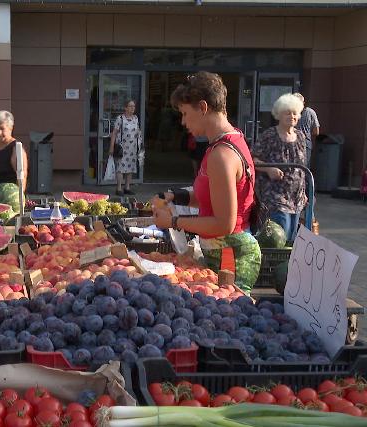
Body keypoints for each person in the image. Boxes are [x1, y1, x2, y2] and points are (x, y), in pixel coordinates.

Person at [151, 72, 261, 293]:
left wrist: (173, 221)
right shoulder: (224, 143)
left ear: (203, 107)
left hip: (230, 257)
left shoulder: (221, 155)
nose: (182, 122)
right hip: (221, 252)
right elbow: (211, 197)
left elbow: (223, 223)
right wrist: (176, 195)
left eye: (184, 113)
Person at [252, 93, 307, 242]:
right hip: (275, 195)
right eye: (287, 113)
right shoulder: (269, 135)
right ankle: (277, 265)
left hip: (296, 197)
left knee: (291, 238)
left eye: (295, 113)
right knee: (280, 233)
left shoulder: (301, 137)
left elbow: (302, 167)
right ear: (279, 115)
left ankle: (286, 265)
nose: (292, 116)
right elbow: (252, 159)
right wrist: (269, 169)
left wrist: (304, 192)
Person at [0, 111, 28, 201]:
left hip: (8, 201)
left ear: (10, 128)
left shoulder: (16, 148)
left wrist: (18, 200)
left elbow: (22, 177)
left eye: (2, 128)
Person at [109, 99, 142, 195]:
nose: (132, 108)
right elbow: (114, 133)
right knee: (120, 168)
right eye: (130, 106)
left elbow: (138, 131)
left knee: (130, 167)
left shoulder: (135, 118)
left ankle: (127, 187)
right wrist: (111, 147)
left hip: (133, 147)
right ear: (125, 108)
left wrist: (140, 143)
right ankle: (119, 188)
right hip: (122, 148)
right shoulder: (120, 118)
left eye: (134, 106)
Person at [293, 93, 320, 167]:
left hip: (291, 142)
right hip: (306, 143)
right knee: (305, 168)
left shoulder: (289, 113)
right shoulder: (311, 112)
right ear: (303, 103)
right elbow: (316, 132)